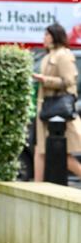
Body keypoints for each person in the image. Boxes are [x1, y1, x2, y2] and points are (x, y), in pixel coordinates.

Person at [33, 22, 81, 181]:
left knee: (61, 153)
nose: (44, 38)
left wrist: (45, 80)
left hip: (58, 112)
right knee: (41, 150)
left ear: (55, 36)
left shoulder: (64, 55)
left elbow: (69, 82)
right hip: (47, 110)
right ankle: (37, 188)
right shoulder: (48, 56)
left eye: (47, 34)